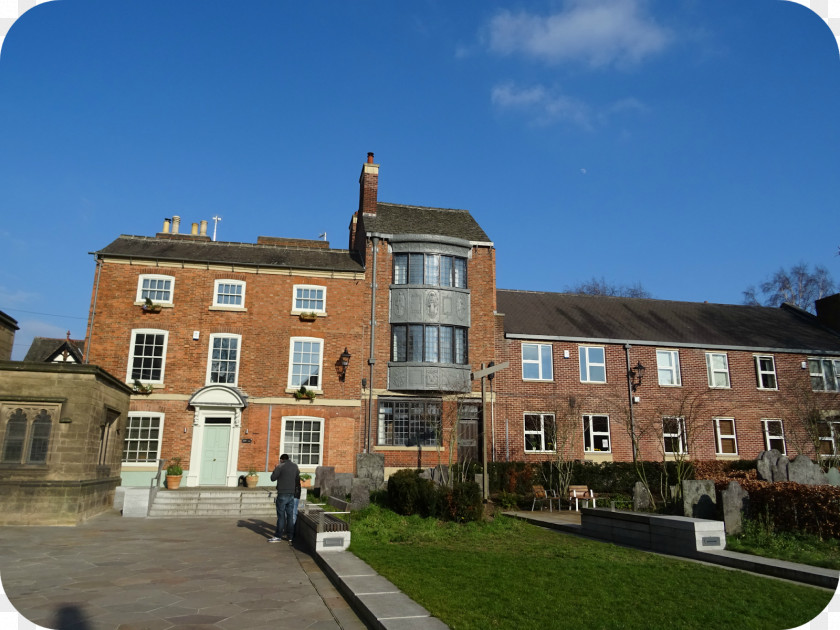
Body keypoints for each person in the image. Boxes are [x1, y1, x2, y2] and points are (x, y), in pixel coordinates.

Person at [268, 453, 299, 544]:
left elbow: (273, 478)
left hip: (282, 493)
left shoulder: (280, 466)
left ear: (281, 459)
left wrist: (275, 468)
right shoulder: (295, 466)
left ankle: (278, 536)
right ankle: (290, 536)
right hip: (291, 494)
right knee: (290, 516)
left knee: (281, 516)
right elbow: (297, 477)